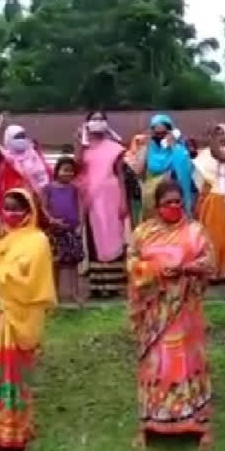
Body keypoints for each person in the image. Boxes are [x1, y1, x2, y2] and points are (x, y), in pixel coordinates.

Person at [127, 179, 216, 451]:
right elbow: (131, 262)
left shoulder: (195, 231)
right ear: (156, 205)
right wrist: (154, 271)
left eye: (178, 202)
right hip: (155, 313)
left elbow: (210, 262)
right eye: (168, 203)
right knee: (156, 364)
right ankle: (150, 421)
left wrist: (188, 268)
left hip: (185, 313)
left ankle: (197, 421)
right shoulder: (143, 233)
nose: (174, 207)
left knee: (185, 362)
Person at [0, 188, 56, 451]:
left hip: (21, 315)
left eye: (18, 208)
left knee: (12, 373)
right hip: (1, 311)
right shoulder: (2, 240)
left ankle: (14, 432)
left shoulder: (37, 240)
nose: (11, 213)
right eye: (7, 207)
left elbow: (26, 280)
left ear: (30, 211)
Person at [74, 111, 128, 298]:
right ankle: (98, 286)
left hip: (111, 194)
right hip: (92, 197)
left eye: (101, 119)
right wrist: (80, 141)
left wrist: (123, 200)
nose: (97, 122)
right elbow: (77, 166)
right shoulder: (84, 147)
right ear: (87, 123)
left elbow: (120, 175)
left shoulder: (115, 147)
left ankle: (115, 285)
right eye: (93, 119)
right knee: (95, 238)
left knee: (114, 236)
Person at [193, 123, 225, 281]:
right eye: (217, 133)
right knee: (214, 239)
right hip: (214, 200)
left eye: (223, 133)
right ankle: (214, 271)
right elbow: (201, 182)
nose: (221, 137)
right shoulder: (204, 157)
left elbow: (221, 156)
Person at [0, 114, 52, 222]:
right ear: (8, 139)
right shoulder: (4, 159)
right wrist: (0, 123)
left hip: (34, 206)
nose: (21, 139)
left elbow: (43, 183)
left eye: (23, 136)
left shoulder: (34, 156)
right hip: (10, 207)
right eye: (17, 137)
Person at [44, 157, 86, 306]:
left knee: (73, 263)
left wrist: (80, 224)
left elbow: (80, 206)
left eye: (71, 171)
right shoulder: (48, 188)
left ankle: (74, 293)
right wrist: (52, 220)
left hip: (72, 230)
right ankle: (54, 294)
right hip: (55, 230)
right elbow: (44, 207)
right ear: (57, 171)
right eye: (65, 170)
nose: (68, 174)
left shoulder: (74, 189)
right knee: (55, 263)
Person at [136, 114, 195, 219]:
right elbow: (138, 172)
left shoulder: (179, 149)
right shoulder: (149, 148)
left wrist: (174, 146)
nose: (160, 137)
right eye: (157, 134)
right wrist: (145, 148)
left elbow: (187, 170)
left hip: (173, 200)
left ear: (171, 132)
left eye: (163, 133)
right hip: (152, 199)